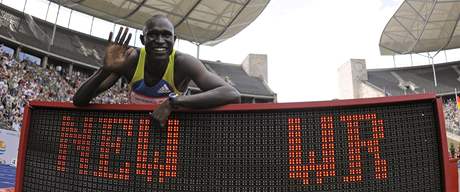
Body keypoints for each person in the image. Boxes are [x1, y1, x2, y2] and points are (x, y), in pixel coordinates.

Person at [73, 14, 241, 126]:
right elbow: (79, 100)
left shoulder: (183, 63)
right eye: (153, 34)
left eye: (166, 35)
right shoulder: (130, 60)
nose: (160, 40)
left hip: (171, 130)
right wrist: (104, 69)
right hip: (138, 129)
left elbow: (232, 94)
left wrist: (173, 103)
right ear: (142, 39)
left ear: (174, 40)